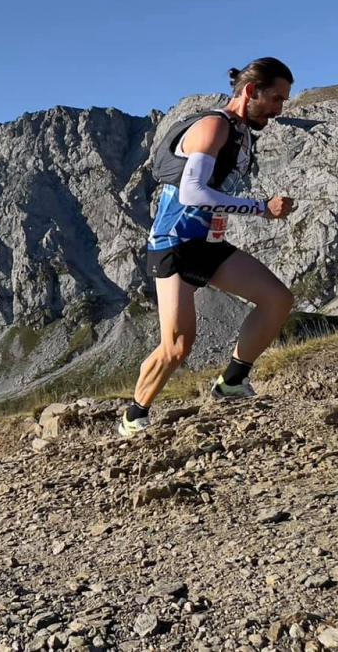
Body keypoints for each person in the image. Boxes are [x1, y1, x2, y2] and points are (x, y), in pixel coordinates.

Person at [119, 57, 297, 437]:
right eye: (276, 99)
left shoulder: (241, 132)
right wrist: (261, 209)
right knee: (178, 345)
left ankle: (232, 382)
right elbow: (192, 191)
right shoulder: (214, 126)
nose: (279, 109)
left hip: (209, 242)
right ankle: (134, 418)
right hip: (175, 243)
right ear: (251, 91)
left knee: (277, 300)